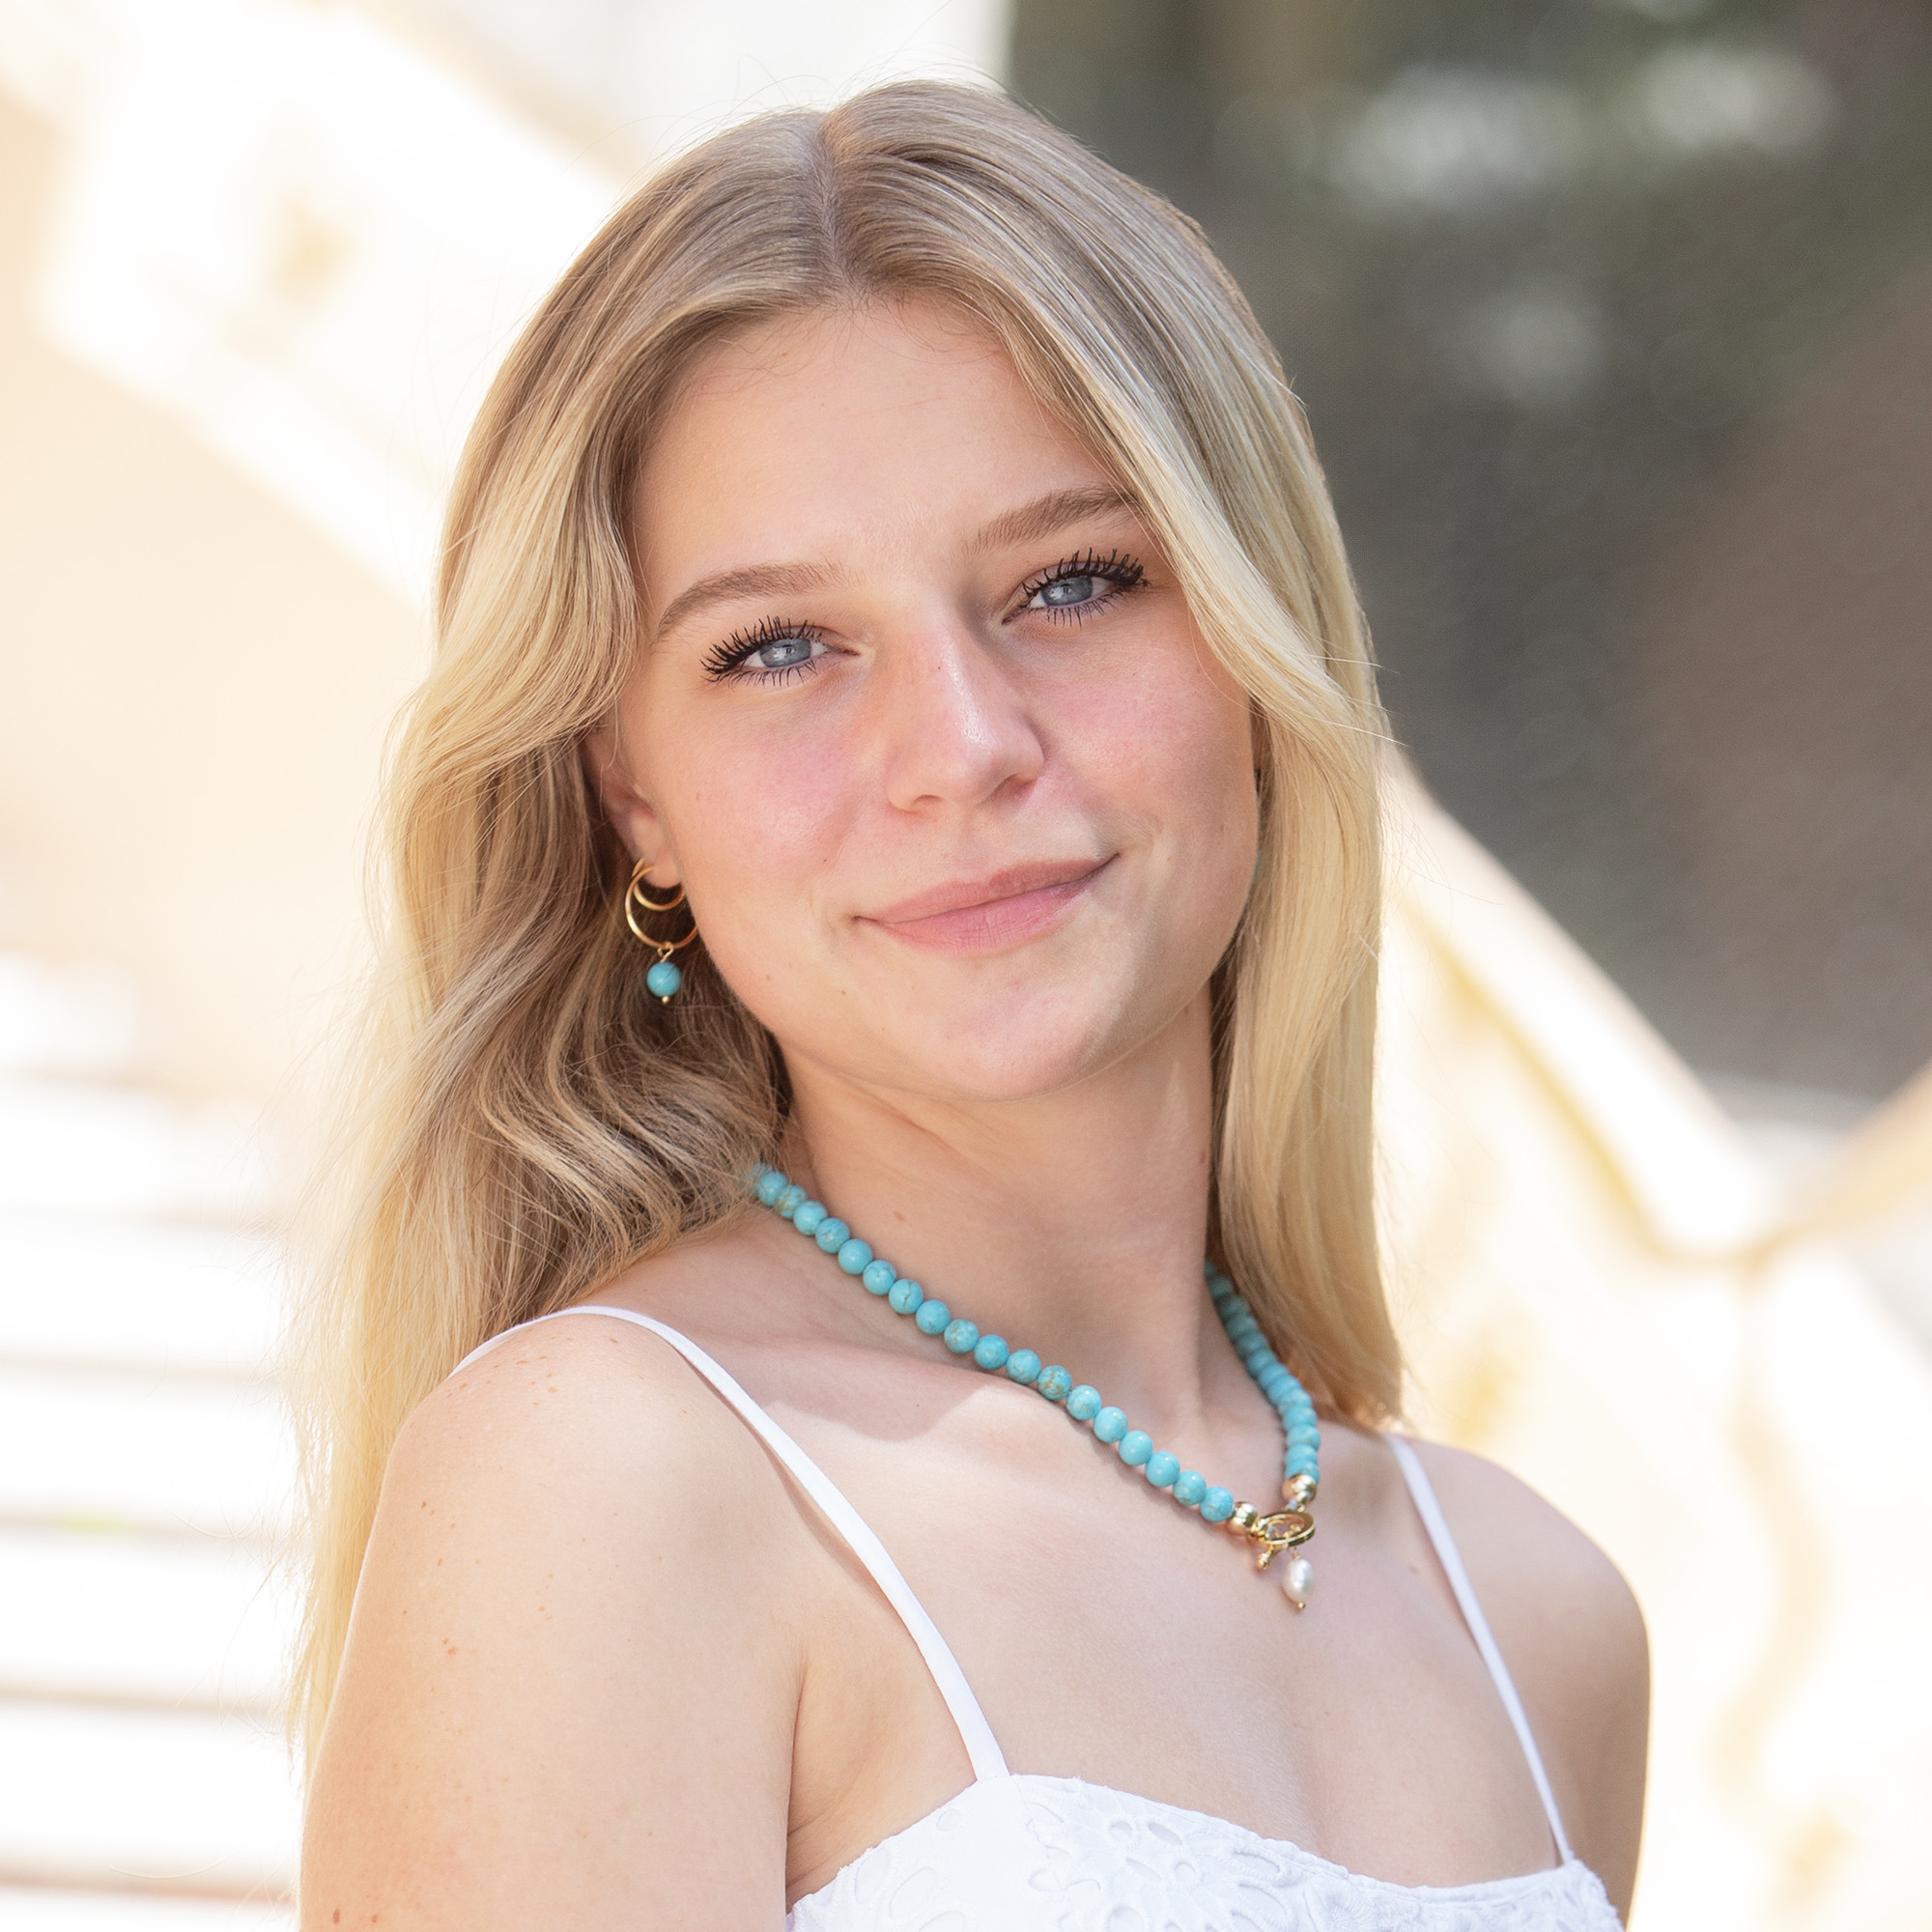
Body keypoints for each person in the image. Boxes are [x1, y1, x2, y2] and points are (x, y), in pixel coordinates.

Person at [293, 80, 1648, 1929]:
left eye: (1072, 583)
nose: (959, 745)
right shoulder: (610, 1477)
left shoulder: (1544, 1622)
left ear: (1257, 647)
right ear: (633, 791)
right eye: (779, 646)